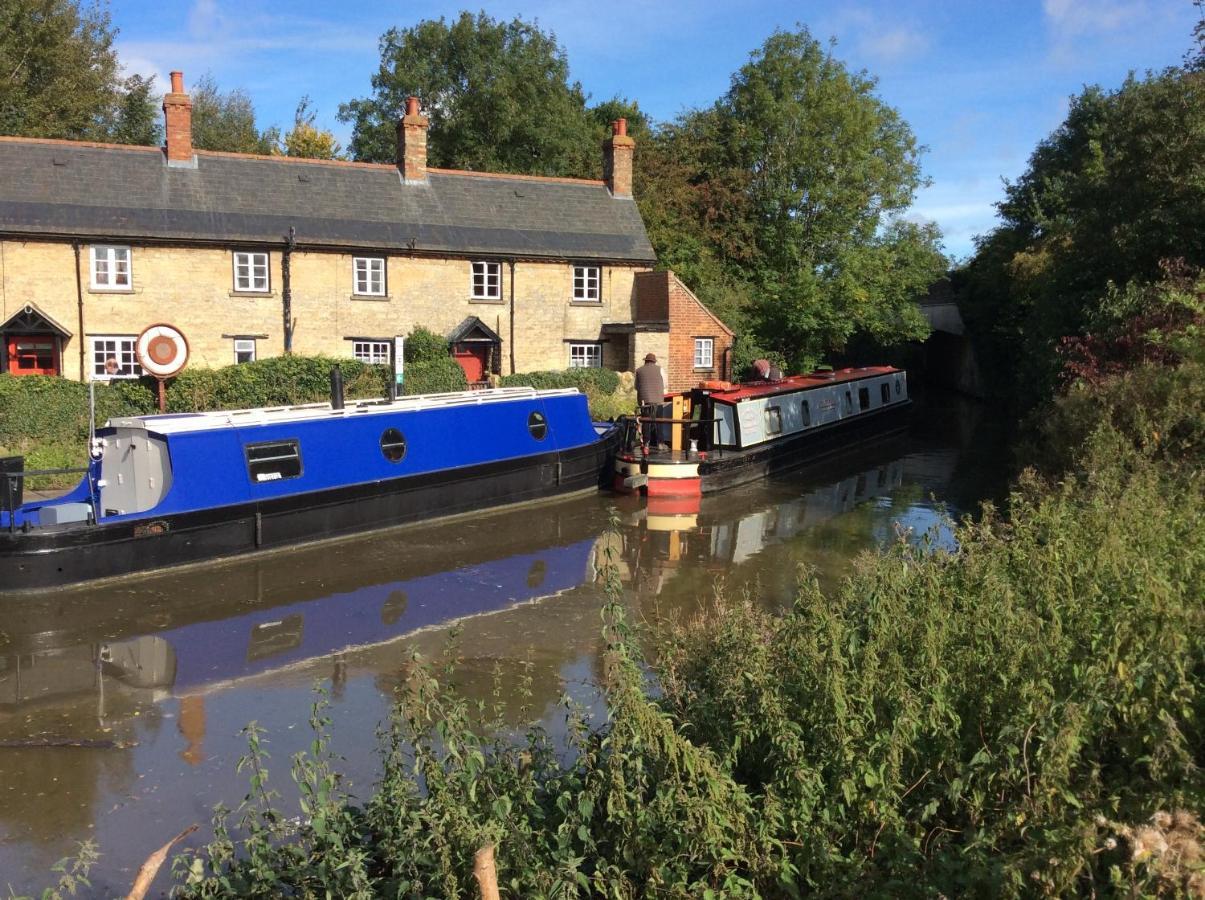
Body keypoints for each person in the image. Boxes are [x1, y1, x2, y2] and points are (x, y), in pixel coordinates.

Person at [634, 353, 668, 448]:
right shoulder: (660, 369)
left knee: (646, 423)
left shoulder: (638, 371)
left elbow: (636, 387)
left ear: (645, 361)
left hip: (644, 402)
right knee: (659, 422)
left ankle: (646, 443)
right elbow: (665, 384)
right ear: (654, 361)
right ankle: (660, 443)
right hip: (658, 401)